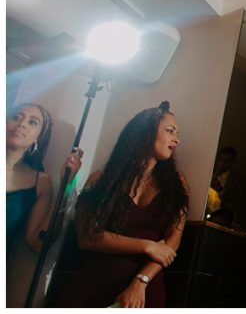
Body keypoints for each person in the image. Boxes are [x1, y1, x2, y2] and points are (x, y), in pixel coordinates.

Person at [52, 101, 189, 308]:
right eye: (170, 131)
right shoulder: (100, 180)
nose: (176, 139)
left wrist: (140, 282)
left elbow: (172, 242)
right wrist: (148, 246)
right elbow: (87, 237)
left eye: (177, 133)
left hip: (144, 294)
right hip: (92, 289)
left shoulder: (177, 185)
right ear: (145, 132)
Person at [6, 102, 83, 256]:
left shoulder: (40, 182)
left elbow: (37, 244)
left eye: (32, 122)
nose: (22, 124)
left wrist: (66, 186)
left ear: (38, 138)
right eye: (17, 118)